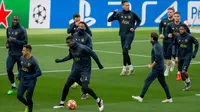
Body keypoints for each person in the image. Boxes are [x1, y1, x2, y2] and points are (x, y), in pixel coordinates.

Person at [53, 36, 104, 111]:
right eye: (66, 43)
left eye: (68, 42)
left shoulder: (83, 48)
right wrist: (61, 60)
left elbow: (93, 54)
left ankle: (98, 100)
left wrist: (99, 64)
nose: (67, 44)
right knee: (67, 85)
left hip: (85, 70)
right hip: (76, 70)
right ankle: (61, 103)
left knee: (85, 88)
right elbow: (70, 56)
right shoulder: (71, 48)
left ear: (73, 41)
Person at [132, 32, 172, 103]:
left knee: (147, 80)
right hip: (160, 68)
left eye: (150, 37)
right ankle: (169, 98)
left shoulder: (156, 46)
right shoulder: (157, 45)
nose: (149, 38)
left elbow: (158, 58)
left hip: (157, 69)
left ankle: (141, 97)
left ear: (152, 38)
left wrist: (151, 65)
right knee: (163, 83)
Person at [108, 0, 141, 75]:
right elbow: (109, 20)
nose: (127, 6)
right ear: (122, 6)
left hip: (130, 34)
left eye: (128, 5)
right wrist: (114, 13)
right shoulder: (119, 14)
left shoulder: (132, 14)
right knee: (124, 52)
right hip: (122, 34)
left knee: (124, 49)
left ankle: (124, 69)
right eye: (126, 5)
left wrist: (134, 27)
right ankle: (131, 67)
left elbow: (139, 21)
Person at [6, 15, 28, 95]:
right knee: (9, 69)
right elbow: (8, 40)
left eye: (16, 20)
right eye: (14, 20)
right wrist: (7, 44)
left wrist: (15, 41)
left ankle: (22, 88)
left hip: (20, 55)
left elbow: (25, 42)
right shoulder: (9, 29)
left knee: (21, 73)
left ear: (18, 20)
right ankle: (13, 86)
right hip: (11, 54)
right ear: (12, 20)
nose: (15, 21)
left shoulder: (22, 30)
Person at [165, 11, 190, 80]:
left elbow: (189, 34)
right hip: (173, 44)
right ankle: (177, 70)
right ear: (173, 17)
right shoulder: (170, 25)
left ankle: (178, 74)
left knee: (177, 60)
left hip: (181, 45)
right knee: (175, 60)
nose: (176, 18)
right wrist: (168, 35)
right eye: (175, 16)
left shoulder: (183, 25)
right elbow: (166, 32)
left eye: (178, 16)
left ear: (180, 17)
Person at [173, 24, 199, 91]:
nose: (180, 30)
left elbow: (197, 44)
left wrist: (194, 53)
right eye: (180, 29)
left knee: (184, 71)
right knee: (181, 73)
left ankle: (188, 81)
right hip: (180, 56)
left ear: (185, 29)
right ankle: (186, 83)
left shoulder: (190, 36)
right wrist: (175, 54)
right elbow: (175, 45)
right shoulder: (177, 36)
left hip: (187, 56)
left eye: (182, 29)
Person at [71, 21, 93, 100]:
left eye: (82, 26)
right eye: (79, 26)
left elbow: (90, 49)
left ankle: (85, 92)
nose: (80, 27)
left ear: (85, 28)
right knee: (74, 78)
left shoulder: (88, 37)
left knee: (85, 80)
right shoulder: (74, 35)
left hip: (85, 62)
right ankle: (83, 87)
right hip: (76, 61)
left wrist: (82, 51)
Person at [17, 45, 42, 112]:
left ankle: (30, 110)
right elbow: (20, 67)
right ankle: (27, 105)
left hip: (31, 82)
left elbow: (39, 72)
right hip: (23, 80)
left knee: (28, 97)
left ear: (28, 51)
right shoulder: (22, 58)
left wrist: (30, 76)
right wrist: (19, 75)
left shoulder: (33, 61)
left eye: (23, 50)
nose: (22, 51)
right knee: (19, 96)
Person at [159, 7, 175, 77]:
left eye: (171, 12)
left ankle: (167, 70)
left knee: (168, 56)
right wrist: (160, 33)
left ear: (173, 13)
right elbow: (160, 27)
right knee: (164, 55)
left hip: (172, 41)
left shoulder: (175, 21)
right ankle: (172, 63)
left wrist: (172, 34)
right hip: (164, 40)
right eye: (168, 12)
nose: (169, 13)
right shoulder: (164, 20)